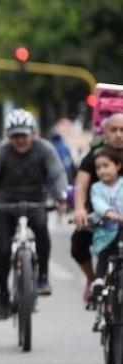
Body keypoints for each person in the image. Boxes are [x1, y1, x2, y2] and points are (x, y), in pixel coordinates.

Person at [0, 109, 67, 319]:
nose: (20, 140)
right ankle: (3, 295)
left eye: (23, 135)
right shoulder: (1, 151)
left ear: (32, 133)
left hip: (36, 201)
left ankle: (42, 277)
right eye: (15, 136)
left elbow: (58, 173)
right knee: (4, 251)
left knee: (42, 231)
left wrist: (62, 197)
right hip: (5, 204)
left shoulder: (45, 149)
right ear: (8, 136)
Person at [72, 114, 123, 303]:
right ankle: (92, 280)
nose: (119, 135)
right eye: (114, 130)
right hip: (98, 217)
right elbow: (81, 186)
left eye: (122, 130)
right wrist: (79, 209)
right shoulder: (93, 156)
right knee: (78, 241)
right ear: (104, 133)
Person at [88, 148, 123, 291]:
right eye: (98, 168)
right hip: (105, 231)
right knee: (104, 254)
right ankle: (98, 280)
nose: (102, 170)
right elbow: (97, 203)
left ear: (118, 166)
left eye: (106, 166)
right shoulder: (96, 188)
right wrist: (108, 212)